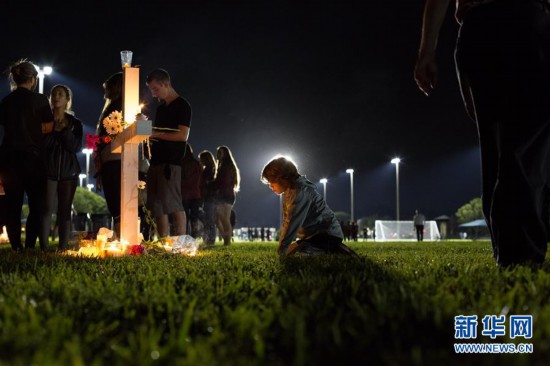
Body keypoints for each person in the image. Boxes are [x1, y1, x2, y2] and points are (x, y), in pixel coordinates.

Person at [414, 0, 550, 266]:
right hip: (526, 21)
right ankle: (519, 253)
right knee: (527, 142)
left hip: (477, 28)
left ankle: (506, 246)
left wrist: (426, 51)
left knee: (496, 147)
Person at [0, 60, 54, 251]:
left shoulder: (6, 101)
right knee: (36, 204)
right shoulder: (39, 100)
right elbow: (49, 126)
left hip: (9, 159)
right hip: (33, 158)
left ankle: (16, 245)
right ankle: (30, 244)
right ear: (33, 79)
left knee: (12, 204)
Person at [261, 156, 357, 258]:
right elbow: (286, 221)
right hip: (311, 238)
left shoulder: (301, 192)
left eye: (271, 181)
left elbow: (291, 223)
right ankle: (330, 248)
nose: (270, 186)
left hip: (325, 235)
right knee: (291, 251)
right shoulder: (289, 191)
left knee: (301, 257)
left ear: (282, 178)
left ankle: (335, 249)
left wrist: (282, 251)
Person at [146, 69, 191, 238]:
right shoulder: (160, 109)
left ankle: (180, 242)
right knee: (157, 205)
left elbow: (182, 135)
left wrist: (155, 134)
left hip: (171, 163)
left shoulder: (182, 105)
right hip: (156, 161)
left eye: (156, 89)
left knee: (173, 203)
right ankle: (164, 241)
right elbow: (156, 132)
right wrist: (144, 129)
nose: (154, 94)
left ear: (166, 84)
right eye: (151, 90)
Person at [40, 85, 83, 250]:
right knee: (46, 209)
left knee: (64, 211)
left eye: (60, 94)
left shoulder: (75, 123)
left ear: (67, 100)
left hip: (69, 172)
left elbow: (75, 147)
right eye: (53, 94)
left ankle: (63, 247)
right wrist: (53, 131)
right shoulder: (45, 121)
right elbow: (42, 144)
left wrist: (64, 130)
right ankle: (44, 247)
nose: (56, 97)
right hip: (48, 171)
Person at [93, 72, 123, 238]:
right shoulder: (114, 107)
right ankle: (121, 235)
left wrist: (102, 140)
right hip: (111, 159)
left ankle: (121, 236)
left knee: (115, 200)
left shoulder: (117, 109)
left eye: (107, 89)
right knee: (115, 200)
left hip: (114, 159)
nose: (104, 93)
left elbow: (110, 136)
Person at [213, 145, 240, 246]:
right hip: (224, 195)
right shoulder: (223, 165)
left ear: (225, 154)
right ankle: (226, 239)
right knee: (218, 218)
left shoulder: (226, 167)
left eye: (220, 153)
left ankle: (227, 242)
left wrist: (213, 184)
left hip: (226, 195)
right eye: (218, 153)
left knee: (224, 219)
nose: (218, 155)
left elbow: (223, 181)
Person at [181, 143, 203, 237]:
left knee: (184, 217)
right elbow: (201, 179)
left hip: (184, 194)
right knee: (194, 217)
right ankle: (194, 236)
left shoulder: (180, 163)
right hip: (196, 194)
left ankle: (185, 236)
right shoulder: (197, 163)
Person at [199, 150, 217, 244]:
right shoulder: (212, 169)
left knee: (208, 218)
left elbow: (205, 184)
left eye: (201, 159)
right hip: (210, 197)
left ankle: (210, 238)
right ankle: (210, 238)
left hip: (208, 197)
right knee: (209, 218)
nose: (200, 161)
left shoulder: (208, 170)